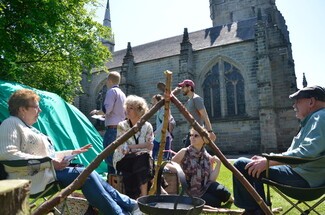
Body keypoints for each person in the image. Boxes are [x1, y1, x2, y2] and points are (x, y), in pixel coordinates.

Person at [0, 89, 138, 215]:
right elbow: (8, 156)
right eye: (36, 107)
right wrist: (49, 163)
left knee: (89, 171)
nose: (40, 110)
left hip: (46, 174)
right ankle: (120, 213)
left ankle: (131, 206)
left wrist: (71, 152)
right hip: (30, 179)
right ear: (22, 109)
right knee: (84, 175)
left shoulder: (29, 128)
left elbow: (49, 156)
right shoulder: (10, 123)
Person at [232, 85, 325, 215]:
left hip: (305, 181)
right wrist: (268, 159)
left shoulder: (320, 117)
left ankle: (256, 212)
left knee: (242, 164)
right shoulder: (314, 120)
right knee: (251, 165)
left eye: (297, 101)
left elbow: (306, 153)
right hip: (305, 176)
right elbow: (302, 152)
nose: (294, 106)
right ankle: (257, 211)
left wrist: (269, 161)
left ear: (311, 102)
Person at [166, 127, 232, 207]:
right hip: (190, 192)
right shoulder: (184, 152)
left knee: (223, 192)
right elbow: (168, 166)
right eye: (191, 135)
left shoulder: (207, 156)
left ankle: (232, 200)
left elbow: (211, 179)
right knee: (215, 202)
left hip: (205, 187)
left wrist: (218, 164)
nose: (192, 138)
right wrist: (179, 171)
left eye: (196, 136)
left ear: (204, 139)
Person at [113, 95, 154, 199]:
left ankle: (142, 196)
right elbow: (124, 149)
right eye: (126, 107)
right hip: (123, 160)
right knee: (143, 159)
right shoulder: (122, 126)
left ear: (139, 110)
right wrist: (143, 145)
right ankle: (147, 194)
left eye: (130, 108)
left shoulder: (147, 126)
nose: (127, 110)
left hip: (142, 160)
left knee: (143, 159)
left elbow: (150, 148)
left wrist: (134, 147)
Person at [90, 71, 126, 174]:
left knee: (109, 157)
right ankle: (118, 182)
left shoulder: (111, 91)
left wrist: (96, 112)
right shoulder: (122, 94)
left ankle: (111, 183)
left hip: (112, 130)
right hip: (121, 129)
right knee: (118, 158)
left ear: (109, 80)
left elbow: (107, 109)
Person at [178, 79, 216, 146]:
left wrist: (210, 131)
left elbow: (204, 115)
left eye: (183, 87)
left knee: (188, 154)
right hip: (192, 132)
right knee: (194, 154)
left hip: (197, 132)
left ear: (189, 87)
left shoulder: (196, 99)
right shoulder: (189, 101)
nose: (182, 89)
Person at [151, 94, 176, 160]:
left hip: (164, 135)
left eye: (154, 101)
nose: (153, 102)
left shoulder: (163, 110)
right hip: (160, 135)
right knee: (155, 151)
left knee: (165, 155)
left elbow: (165, 123)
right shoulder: (160, 110)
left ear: (158, 101)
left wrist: (156, 132)